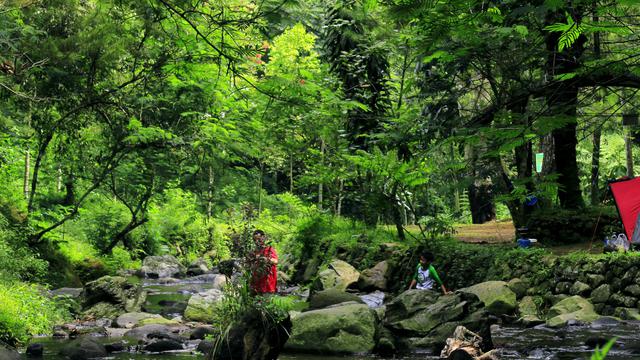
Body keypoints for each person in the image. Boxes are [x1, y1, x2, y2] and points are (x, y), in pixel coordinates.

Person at [249, 229, 278, 294]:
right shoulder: (253, 252)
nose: (257, 242)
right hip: (256, 285)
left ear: (263, 238)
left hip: (268, 285)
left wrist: (266, 259)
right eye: (255, 240)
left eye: (259, 239)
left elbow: (275, 261)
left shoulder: (269, 249)